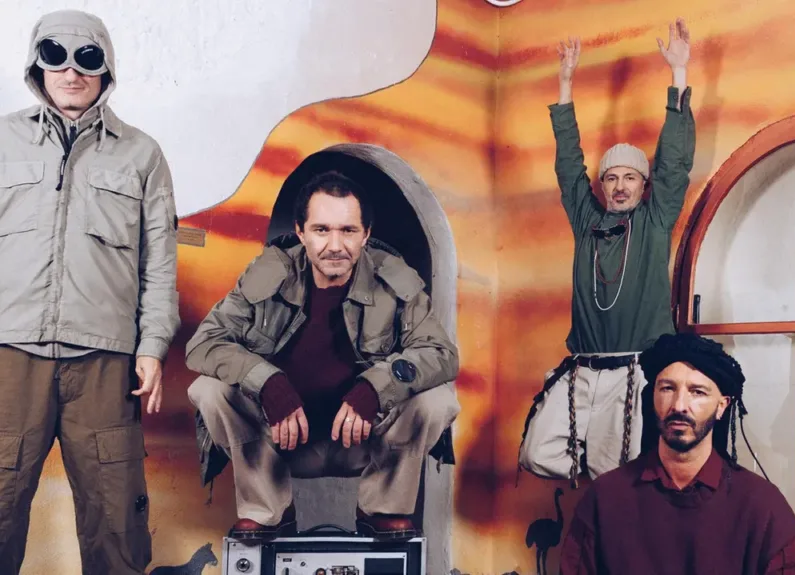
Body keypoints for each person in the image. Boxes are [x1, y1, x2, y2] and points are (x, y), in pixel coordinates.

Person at [185, 171, 460, 541]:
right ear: (301, 232)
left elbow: (440, 353)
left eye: (348, 231)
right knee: (208, 389)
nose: (335, 245)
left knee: (438, 399)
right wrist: (268, 383)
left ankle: (384, 508)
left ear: (365, 234)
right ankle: (267, 510)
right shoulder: (269, 274)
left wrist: (375, 388)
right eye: (321, 230)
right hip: (279, 440)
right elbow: (203, 344)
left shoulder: (394, 279)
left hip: (364, 440)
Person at [0, 10, 180, 574]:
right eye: (55, 57)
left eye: (87, 58)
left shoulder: (142, 154)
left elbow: (159, 263)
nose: (71, 72)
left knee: (115, 520)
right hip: (10, 356)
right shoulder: (2, 141)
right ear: (37, 65)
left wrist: (152, 347)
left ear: (106, 68)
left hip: (105, 363)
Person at [518, 18, 696, 487]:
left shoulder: (655, 220)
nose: (619, 186)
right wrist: (565, 83)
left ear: (644, 185)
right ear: (602, 186)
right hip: (581, 369)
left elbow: (675, 162)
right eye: (611, 177)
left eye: (630, 177)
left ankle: (617, 504)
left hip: (633, 371)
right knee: (537, 452)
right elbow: (568, 166)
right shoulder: (587, 222)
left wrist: (678, 74)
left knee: (612, 475)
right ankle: (612, 488)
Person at [559, 333, 795, 574]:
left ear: (722, 406)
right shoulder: (605, 497)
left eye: (697, 392)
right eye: (667, 388)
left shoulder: (762, 506)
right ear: (653, 397)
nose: (679, 405)